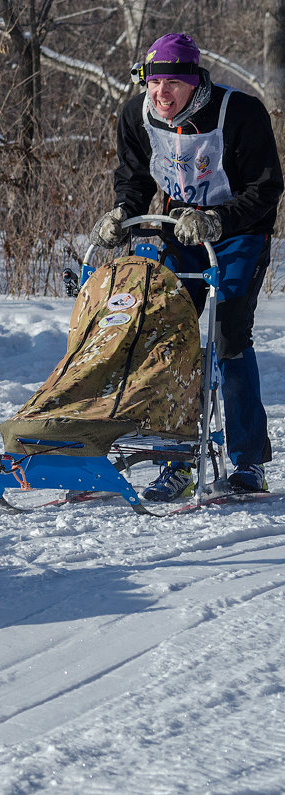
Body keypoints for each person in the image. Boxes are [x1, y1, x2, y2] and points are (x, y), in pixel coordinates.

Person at [89, 32, 283, 500]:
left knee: (228, 334)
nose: (163, 94)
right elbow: (133, 176)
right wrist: (122, 211)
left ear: (196, 82)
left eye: (174, 83)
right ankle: (175, 460)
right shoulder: (136, 115)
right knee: (163, 333)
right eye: (155, 83)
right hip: (181, 229)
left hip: (239, 232)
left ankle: (247, 462)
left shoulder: (240, 113)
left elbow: (266, 187)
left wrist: (219, 219)